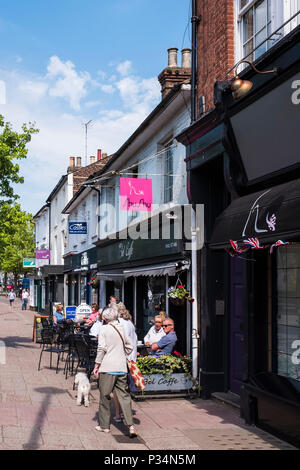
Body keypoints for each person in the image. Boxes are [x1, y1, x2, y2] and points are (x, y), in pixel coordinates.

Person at [92, 307, 137, 438]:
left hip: (107, 367)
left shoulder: (104, 329)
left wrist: (97, 364)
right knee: (124, 396)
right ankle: (131, 425)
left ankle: (104, 426)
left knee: (105, 396)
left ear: (104, 318)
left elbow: (101, 348)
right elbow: (130, 346)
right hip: (121, 367)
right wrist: (122, 354)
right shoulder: (122, 328)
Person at [112, 302, 138, 423]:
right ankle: (125, 412)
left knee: (118, 389)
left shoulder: (119, 324)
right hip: (131, 360)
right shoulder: (130, 323)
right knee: (126, 389)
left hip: (122, 360)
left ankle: (118, 414)